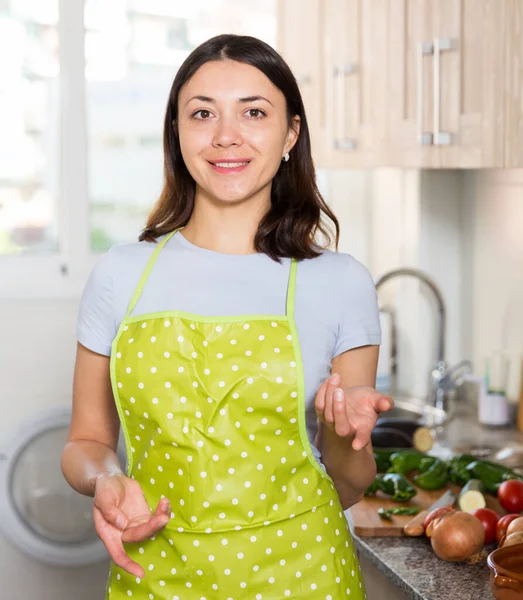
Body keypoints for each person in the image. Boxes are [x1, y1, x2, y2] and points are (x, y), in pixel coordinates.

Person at [62, 33, 392, 600]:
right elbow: (86, 441)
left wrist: (344, 436)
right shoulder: (119, 275)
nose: (225, 136)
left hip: (303, 577)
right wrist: (106, 479)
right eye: (202, 113)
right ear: (177, 132)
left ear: (290, 133)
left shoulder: (340, 283)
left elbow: (349, 484)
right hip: (154, 578)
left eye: (254, 112)